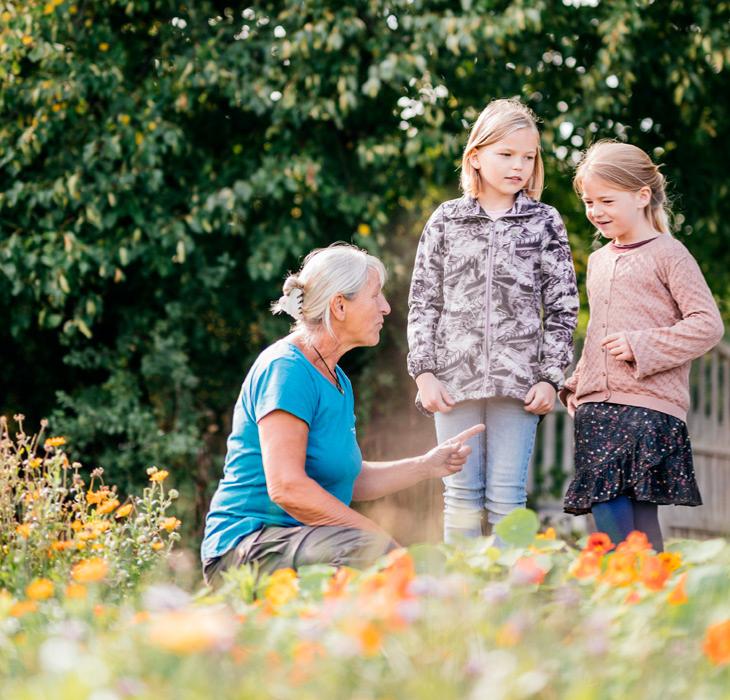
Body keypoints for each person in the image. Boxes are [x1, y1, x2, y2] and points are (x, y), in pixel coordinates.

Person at [201, 244, 484, 585]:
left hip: (302, 542)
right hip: (247, 547)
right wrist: (378, 540)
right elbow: (287, 488)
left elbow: (349, 478)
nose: (386, 307)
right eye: (375, 296)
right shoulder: (286, 370)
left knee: (377, 557)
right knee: (371, 553)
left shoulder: (337, 380)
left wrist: (426, 466)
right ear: (339, 305)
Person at [407, 98, 579, 543]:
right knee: (461, 498)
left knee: (506, 500)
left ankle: (511, 600)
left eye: (528, 156)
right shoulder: (447, 220)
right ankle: (460, 602)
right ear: (476, 156)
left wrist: (549, 377)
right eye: (506, 154)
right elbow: (424, 300)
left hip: (519, 385)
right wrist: (424, 373)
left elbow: (562, 308)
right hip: (452, 381)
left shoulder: (544, 222)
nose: (518, 166)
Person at [560, 140, 724, 551]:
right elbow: (598, 329)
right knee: (607, 507)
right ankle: (640, 596)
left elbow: (707, 325)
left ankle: (636, 595)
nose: (596, 211)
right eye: (588, 201)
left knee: (635, 513)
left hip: (649, 407)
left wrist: (642, 346)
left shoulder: (670, 254)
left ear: (642, 196)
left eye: (606, 200)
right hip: (598, 407)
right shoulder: (598, 260)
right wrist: (577, 381)